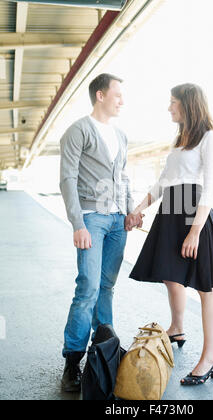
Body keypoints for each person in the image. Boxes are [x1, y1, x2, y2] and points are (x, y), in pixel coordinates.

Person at [128, 83, 213, 386]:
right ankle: (177, 327)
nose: (169, 108)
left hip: (194, 213)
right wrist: (139, 208)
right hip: (171, 210)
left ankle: (209, 358)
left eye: (173, 102)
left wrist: (195, 231)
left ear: (188, 104)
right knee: (170, 274)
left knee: (206, 285)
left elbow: (211, 185)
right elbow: (164, 181)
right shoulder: (180, 140)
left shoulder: (210, 138)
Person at [59, 73, 144, 392]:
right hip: (92, 219)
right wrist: (77, 223)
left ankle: (103, 353)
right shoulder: (78, 130)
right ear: (100, 95)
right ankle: (72, 361)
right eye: (118, 95)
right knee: (88, 288)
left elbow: (121, 176)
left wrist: (131, 209)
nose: (122, 100)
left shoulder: (121, 135)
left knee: (106, 287)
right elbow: (67, 179)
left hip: (117, 221)